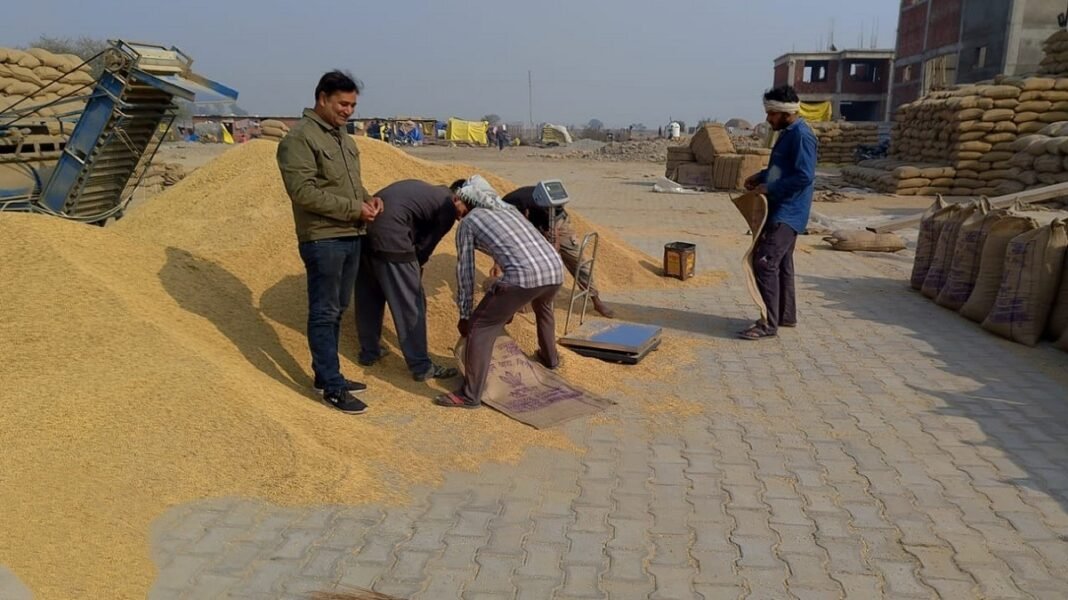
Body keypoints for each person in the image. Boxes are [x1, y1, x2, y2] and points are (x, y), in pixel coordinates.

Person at [276, 70, 383, 414]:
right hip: (323, 239)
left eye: (352, 105)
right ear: (322, 98)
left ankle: (328, 374)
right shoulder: (300, 139)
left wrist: (368, 200)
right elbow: (303, 192)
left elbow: (350, 184)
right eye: (342, 103)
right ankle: (331, 387)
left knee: (337, 310)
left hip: (351, 233)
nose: (348, 110)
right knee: (323, 312)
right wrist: (355, 208)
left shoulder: (342, 137)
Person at [434, 176, 564, 409]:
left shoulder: (469, 223)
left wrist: (465, 315)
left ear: (465, 199)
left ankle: (470, 394)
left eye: (456, 203)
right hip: (554, 270)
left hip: (525, 277)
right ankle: (550, 359)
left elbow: (466, 272)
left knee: (479, 327)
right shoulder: (509, 211)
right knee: (543, 308)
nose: (455, 210)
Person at [356, 179, 462, 381]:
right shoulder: (446, 206)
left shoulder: (428, 191)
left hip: (365, 231)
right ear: (458, 196)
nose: (462, 217)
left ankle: (369, 351)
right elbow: (426, 246)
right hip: (392, 237)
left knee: (370, 294)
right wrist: (414, 269)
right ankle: (421, 366)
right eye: (467, 208)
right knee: (411, 303)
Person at [740, 84, 817, 340]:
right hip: (781, 208)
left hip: (788, 211)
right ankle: (785, 316)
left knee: (765, 262)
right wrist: (760, 177)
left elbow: (803, 176)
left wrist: (770, 187)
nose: (767, 118)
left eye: (771, 114)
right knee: (782, 263)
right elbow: (781, 170)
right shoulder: (787, 133)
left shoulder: (801, 136)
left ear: (785, 113)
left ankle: (767, 324)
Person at [501, 185, 615, 318]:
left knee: (576, 260)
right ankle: (526, 297)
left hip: (557, 222)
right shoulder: (508, 208)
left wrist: (553, 253)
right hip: (532, 222)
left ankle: (595, 300)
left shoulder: (547, 204)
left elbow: (553, 237)